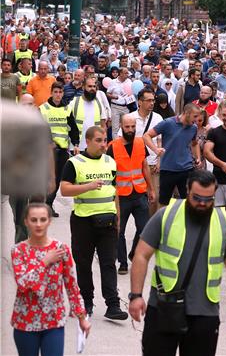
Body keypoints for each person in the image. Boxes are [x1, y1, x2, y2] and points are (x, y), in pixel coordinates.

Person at [128, 170, 226, 356]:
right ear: (187, 190)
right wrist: (135, 295)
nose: (202, 203)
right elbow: (141, 255)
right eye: (197, 197)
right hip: (163, 306)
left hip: (204, 313)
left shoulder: (223, 222)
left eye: (208, 199)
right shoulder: (166, 215)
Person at [58, 125, 127, 320]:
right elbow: (64, 189)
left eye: (104, 140)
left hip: (108, 222)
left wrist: (118, 216)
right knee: (83, 264)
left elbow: (115, 192)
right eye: (98, 140)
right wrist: (88, 186)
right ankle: (86, 302)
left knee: (108, 263)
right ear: (87, 141)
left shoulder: (110, 162)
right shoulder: (74, 162)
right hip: (83, 222)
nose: (103, 144)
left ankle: (113, 305)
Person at [11, 203, 91, 355]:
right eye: (34, 220)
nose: (38, 224)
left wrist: (82, 317)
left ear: (49, 221)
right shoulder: (18, 251)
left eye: (43, 219)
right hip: (25, 322)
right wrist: (45, 262)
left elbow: (72, 286)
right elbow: (23, 284)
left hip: (53, 322)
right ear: (26, 221)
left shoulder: (61, 249)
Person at [108, 114, 155, 275]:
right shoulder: (113, 147)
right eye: (127, 127)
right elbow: (109, 173)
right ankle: (122, 262)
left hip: (140, 192)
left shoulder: (141, 143)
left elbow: (145, 167)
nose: (130, 130)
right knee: (118, 230)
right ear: (121, 127)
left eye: (133, 126)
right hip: (121, 195)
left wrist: (151, 188)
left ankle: (134, 253)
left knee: (144, 229)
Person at [144, 103, 203, 207]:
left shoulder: (193, 128)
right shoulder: (168, 123)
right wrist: (156, 149)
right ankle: (164, 223)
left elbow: (194, 143)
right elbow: (146, 136)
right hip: (168, 169)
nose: (197, 119)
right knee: (164, 203)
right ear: (186, 113)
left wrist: (198, 157)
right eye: (195, 116)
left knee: (189, 201)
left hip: (187, 169)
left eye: (198, 117)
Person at [40, 82, 80, 215]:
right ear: (51, 92)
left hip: (62, 150)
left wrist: (76, 144)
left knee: (57, 179)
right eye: (55, 92)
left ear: (63, 93)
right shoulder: (43, 108)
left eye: (60, 92)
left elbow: (73, 128)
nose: (58, 95)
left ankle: (49, 204)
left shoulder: (67, 109)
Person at [126, 88, 164, 215]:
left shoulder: (158, 118)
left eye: (153, 100)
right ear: (140, 102)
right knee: (139, 200)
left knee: (155, 197)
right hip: (135, 165)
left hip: (153, 164)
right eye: (148, 100)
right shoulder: (129, 118)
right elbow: (122, 141)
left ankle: (151, 226)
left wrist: (159, 161)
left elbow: (159, 141)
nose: (152, 103)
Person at [71, 76, 108, 151]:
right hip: (77, 148)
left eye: (94, 86)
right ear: (83, 87)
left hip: (94, 148)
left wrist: (103, 144)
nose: (92, 89)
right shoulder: (74, 102)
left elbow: (103, 126)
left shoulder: (99, 103)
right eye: (90, 86)